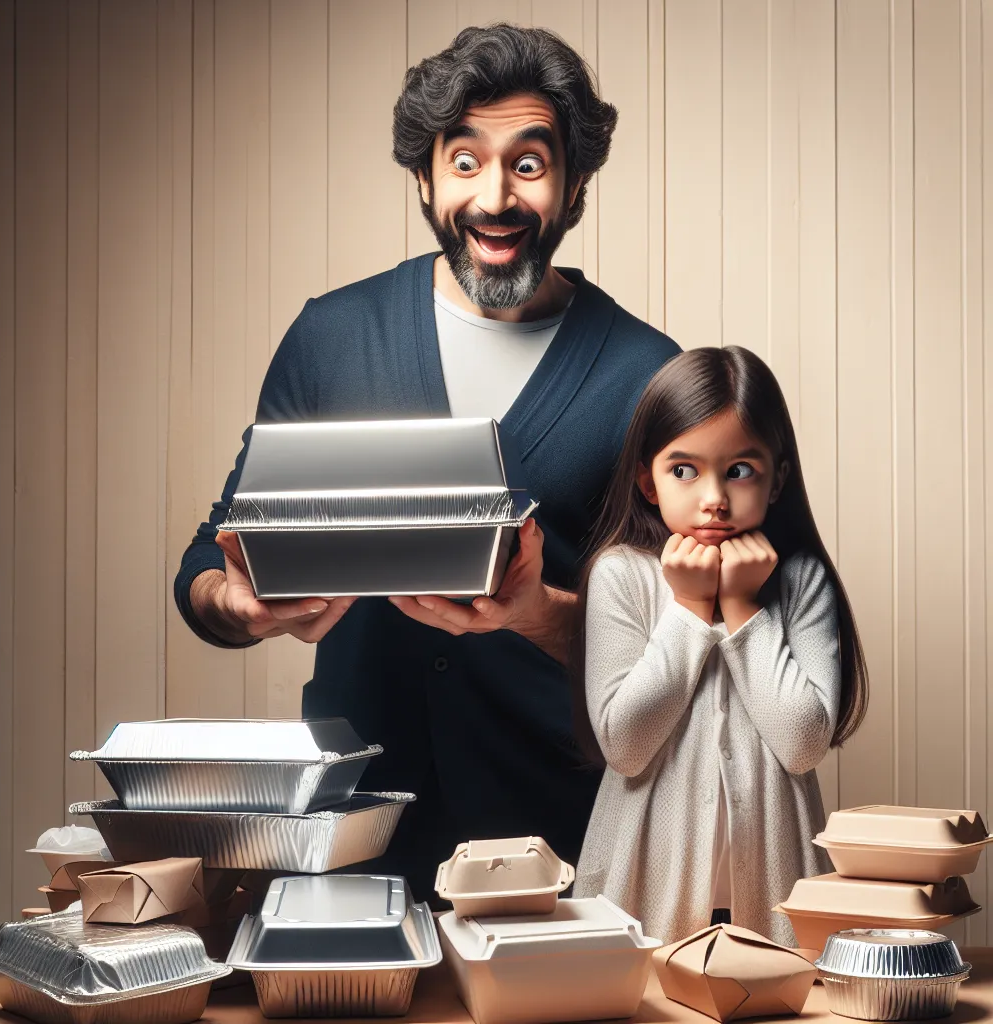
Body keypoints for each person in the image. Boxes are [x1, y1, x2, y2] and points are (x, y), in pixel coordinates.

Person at [174, 24, 680, 904]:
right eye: (465, 162)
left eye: (529, 164)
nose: (497, 196)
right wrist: (243, 606)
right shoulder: (332, 337)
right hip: (354, 824)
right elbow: (205, 568)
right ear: (424, 178)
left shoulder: (646, 373)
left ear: (573, 186)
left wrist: (540, 614)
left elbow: (680, 646)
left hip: (561, 836)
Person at [571, 346, 868, 944]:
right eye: (684, 470)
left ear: (776, 476)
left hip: (777, 898)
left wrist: (741, 607)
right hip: (639, 889)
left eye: (739, 470)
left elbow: (803, 742)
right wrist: (686, 609)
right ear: (646, 481)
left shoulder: (800, 579)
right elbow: (625, 746)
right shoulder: (621, 574)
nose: (714, 497)